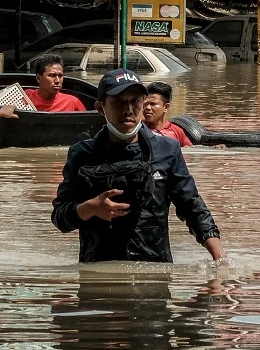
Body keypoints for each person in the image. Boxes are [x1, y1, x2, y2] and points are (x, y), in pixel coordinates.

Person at [52, 69, 226, 263]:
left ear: (143, 104)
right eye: (118, 102)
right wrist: (90, 208)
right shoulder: (82, 154)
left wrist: (220, 260)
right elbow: (60, 217)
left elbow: (192, 207)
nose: (128, 110)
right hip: (99, 276)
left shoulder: (167, 150)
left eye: (134, 101)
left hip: (154, 272)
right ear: (101, 108)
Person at [142, 82, 191, 147]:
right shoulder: (137, 130)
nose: (147, 108)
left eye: (152, 104)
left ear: (166, 107)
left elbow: (190, 154)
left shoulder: (176, 131)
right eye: (145, 104)